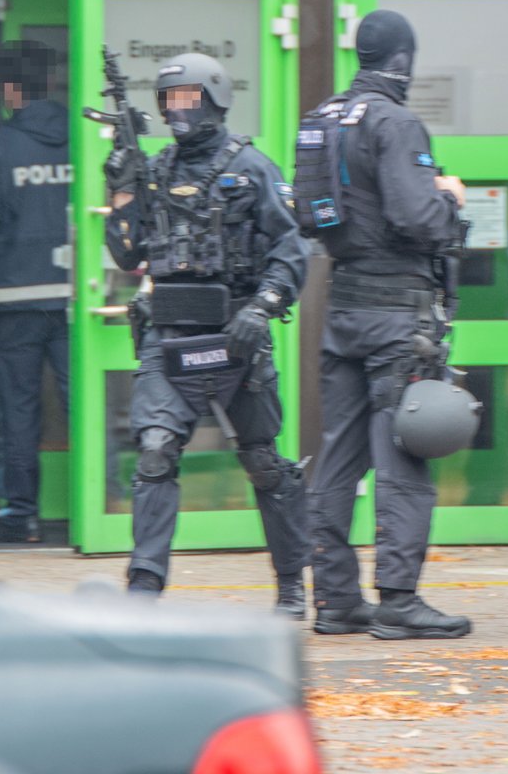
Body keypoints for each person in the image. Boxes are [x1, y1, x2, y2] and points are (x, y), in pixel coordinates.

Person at [104, 52, 309, 618]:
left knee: (264, 463)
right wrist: (122, 187)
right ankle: (144, 592)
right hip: (169, 336)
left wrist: (263, 308)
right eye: (169, 100)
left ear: (215, 98)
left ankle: (292, 585)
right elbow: (126, 251)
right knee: (154, 453)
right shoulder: (156, 170)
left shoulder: (255, 169)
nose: (177, 110)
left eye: (188, 98)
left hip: (235, 340)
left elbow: (291, 252)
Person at [305, 10, 475, 640]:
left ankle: (335, 599)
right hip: (395, 313)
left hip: (343, 304)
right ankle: (399, 599)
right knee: (404, 455)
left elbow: (309, 215)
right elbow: (418, 219)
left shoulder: (321, 119)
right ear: (402, 61)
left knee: (338, 461)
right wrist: (449, 196)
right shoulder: (396, 121)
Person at [0, 41, 73, 543]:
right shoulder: (81, 137)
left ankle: (22, 514)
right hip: (75, 294)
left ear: (12, 91)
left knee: (19, 409)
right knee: (83, 400)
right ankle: (100, 504)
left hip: (14, 297)